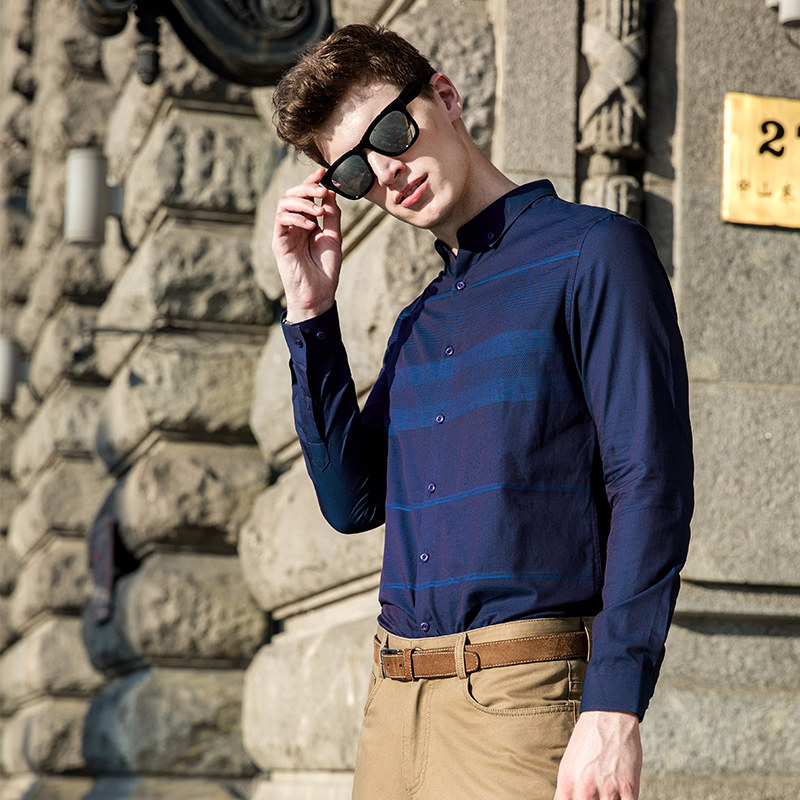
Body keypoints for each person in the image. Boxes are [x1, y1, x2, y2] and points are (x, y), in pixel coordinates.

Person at [270, 23, 693, 800]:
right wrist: (312, 313)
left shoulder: (595, 252)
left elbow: (650, 482)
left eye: (390, 133)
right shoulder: (420, 322)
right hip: (392, 711)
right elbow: (351, 502)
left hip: (518, 705)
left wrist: (614, 706)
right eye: (354, 171)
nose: (387, 173)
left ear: (445, 96)